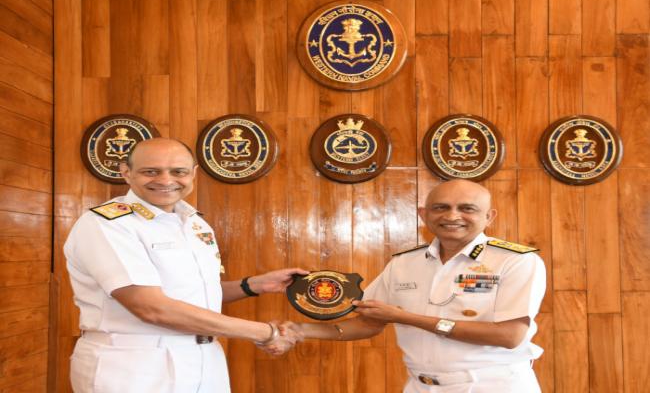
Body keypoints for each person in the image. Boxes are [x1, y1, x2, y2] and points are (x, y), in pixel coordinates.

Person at [64, 138, 305, 393]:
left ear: (193, 173)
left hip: (205, 361)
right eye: (151, 171)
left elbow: (193, 294)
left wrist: (254, 285)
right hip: (135, 366)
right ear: (126, 172)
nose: (166, 180)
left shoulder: (193, 223)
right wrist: (265, 332)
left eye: (178, 171)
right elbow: (151, 307)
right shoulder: (108, 223)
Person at [280, 179, 547, 392]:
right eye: (441, 207)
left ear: (489, 216)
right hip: (420, 385)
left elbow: (509, 336)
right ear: (423, 214)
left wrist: (407, 318)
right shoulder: (404, 262)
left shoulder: (515, 261)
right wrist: (300, 331)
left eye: (467, 208)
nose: (452, 215)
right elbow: (368, 322)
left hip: (492, 385)